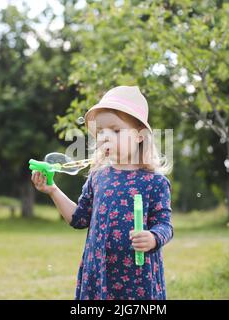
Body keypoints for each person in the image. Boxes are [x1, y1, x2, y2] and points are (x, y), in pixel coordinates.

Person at [31, 85, 173, 300]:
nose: (105, 137)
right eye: (100, 132)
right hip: (100, 274)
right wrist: (52, 190)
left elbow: (165, 224)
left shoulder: (155, 182)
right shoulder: (98, 177)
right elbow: (79, 219)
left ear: (139, 136)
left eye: (115, 130)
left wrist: (153, 238)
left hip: (138, 278)